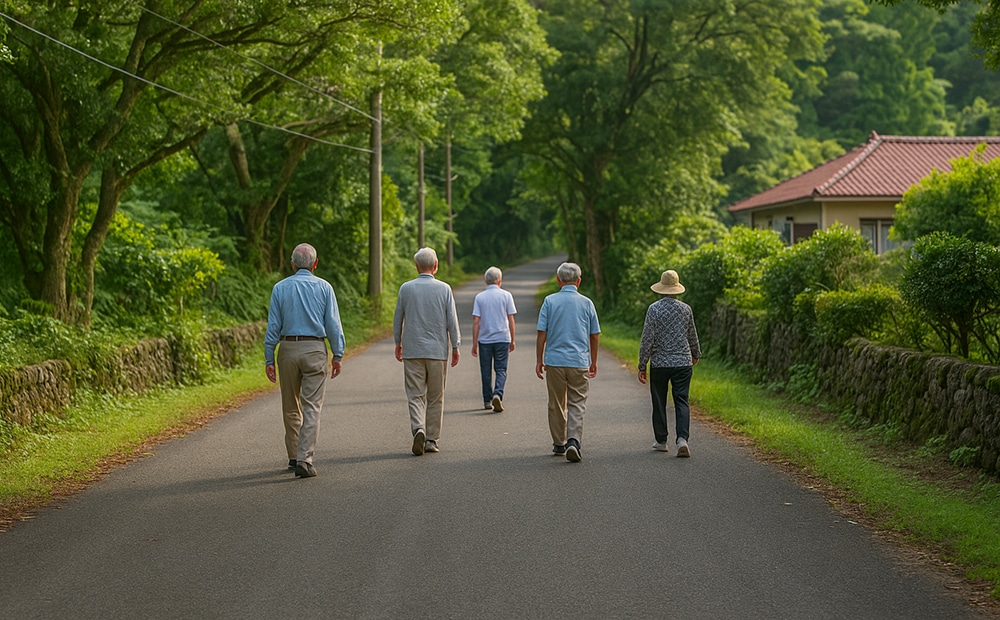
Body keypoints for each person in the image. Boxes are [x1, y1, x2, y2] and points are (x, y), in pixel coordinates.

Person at [264, 243, 346, 478]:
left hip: (287, 349)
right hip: (314, 349)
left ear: (292, 264)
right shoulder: (325, 287)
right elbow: (333, 324)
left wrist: (269, 357)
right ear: (315, 264)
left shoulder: (280, 288)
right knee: (312, 406)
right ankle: (305, 459)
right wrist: (337, 354)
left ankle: (293, 456)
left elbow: (273, 327)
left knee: (291, 405)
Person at [394, 247, 461, 456]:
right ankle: (431, 439)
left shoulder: (406, 288)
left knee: (415, 395)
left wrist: (398, 342)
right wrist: (456, 345)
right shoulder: (444, 289)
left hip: (413, 349)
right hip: (437, 351)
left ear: (416, 266)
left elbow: (398, 317)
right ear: (436, 266)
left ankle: (418, 428)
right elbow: (452, 319)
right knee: (435, 396)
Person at [535, 262, 600, 463]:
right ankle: (573, 441)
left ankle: (559, 443)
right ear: (579, 281)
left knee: (556, 402)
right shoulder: (587, 303)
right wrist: (593, 361)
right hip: (579, 361)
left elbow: (542, 333)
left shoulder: (549, 301)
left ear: (558, 280)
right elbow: (594, 335)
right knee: (577, 402)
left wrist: (539, 360)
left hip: (554, 361)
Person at [638, 270, 701, 458]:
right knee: (681, 400)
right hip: (683, 362)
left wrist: (642, 364)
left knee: (659, 401)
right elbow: (692, 334)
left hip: (659, 363)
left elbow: (647, 338)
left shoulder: (654, 309)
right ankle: (682, 439)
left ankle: (661, 441)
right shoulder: (686, 309)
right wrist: (696, 353)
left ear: (661, 288)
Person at [472, 267, 517, 412]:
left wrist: (474, 343)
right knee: (501, 369)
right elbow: (511, 319)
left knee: (485, 370)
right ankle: (498, 393)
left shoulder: (480, 297)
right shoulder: (506, 295)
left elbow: (476, 321)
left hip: (484, 339)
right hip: (502, 338)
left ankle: (487, 400)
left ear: (485, 281)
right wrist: (513, 339)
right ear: (499, 280)